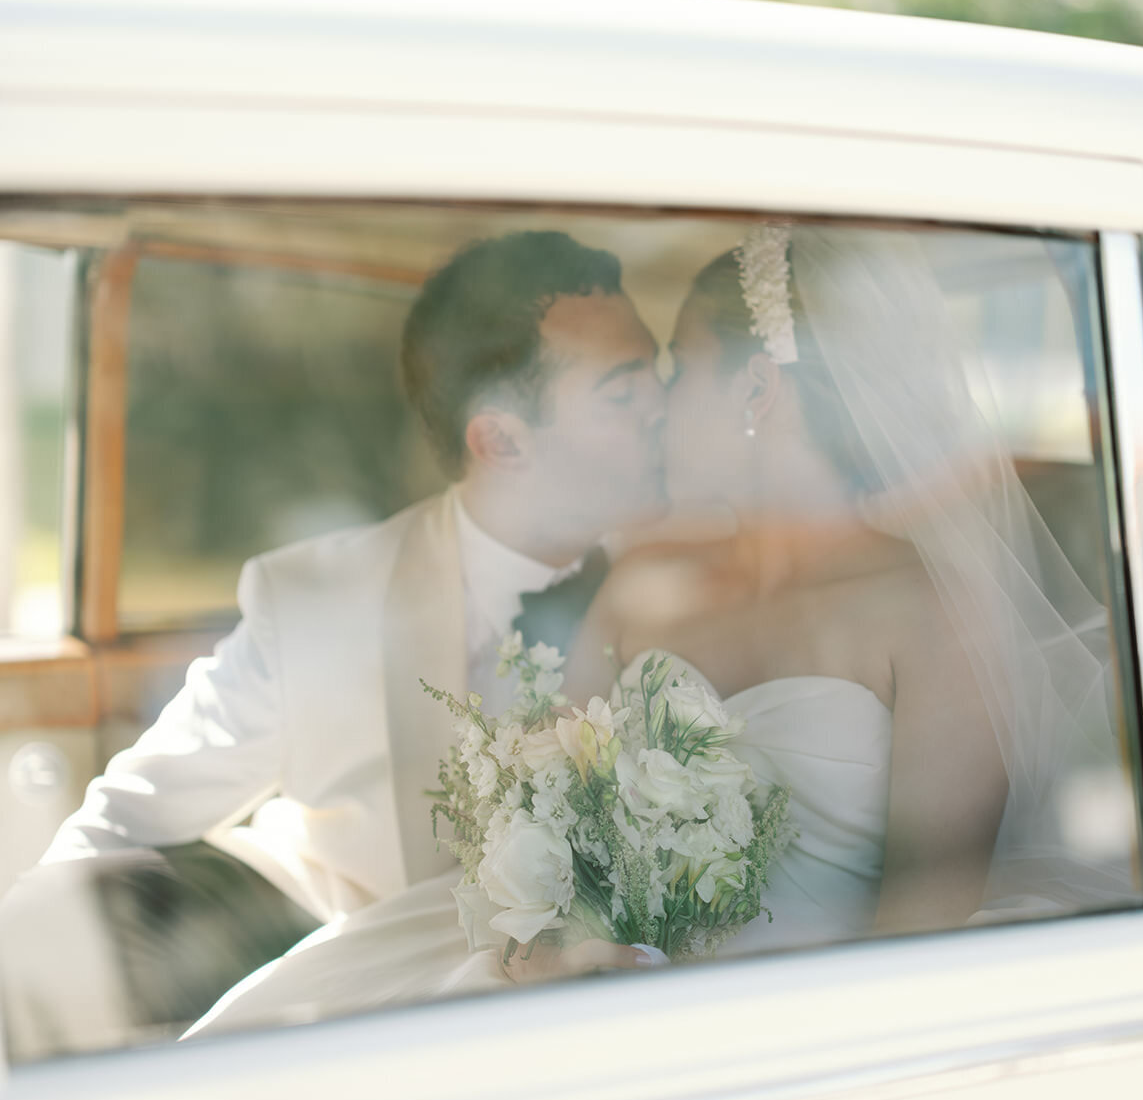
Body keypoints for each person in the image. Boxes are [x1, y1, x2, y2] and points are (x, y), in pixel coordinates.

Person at [183, 222, 1136, 1039]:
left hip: (786, 1024)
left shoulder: (930, 613)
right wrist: (556, 936)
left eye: (678, 369)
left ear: (758, 393)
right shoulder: (647, 578)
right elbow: (535, 800)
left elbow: (925, 920)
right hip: (568, 984)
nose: (660, 403)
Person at [0, 230, 667, 1058]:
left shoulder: (702, 581)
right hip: (344, 986)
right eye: (623, 391)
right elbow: (128, 818)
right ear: (501, 440)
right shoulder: (319, 599)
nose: (663, 410)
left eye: (659, 376)